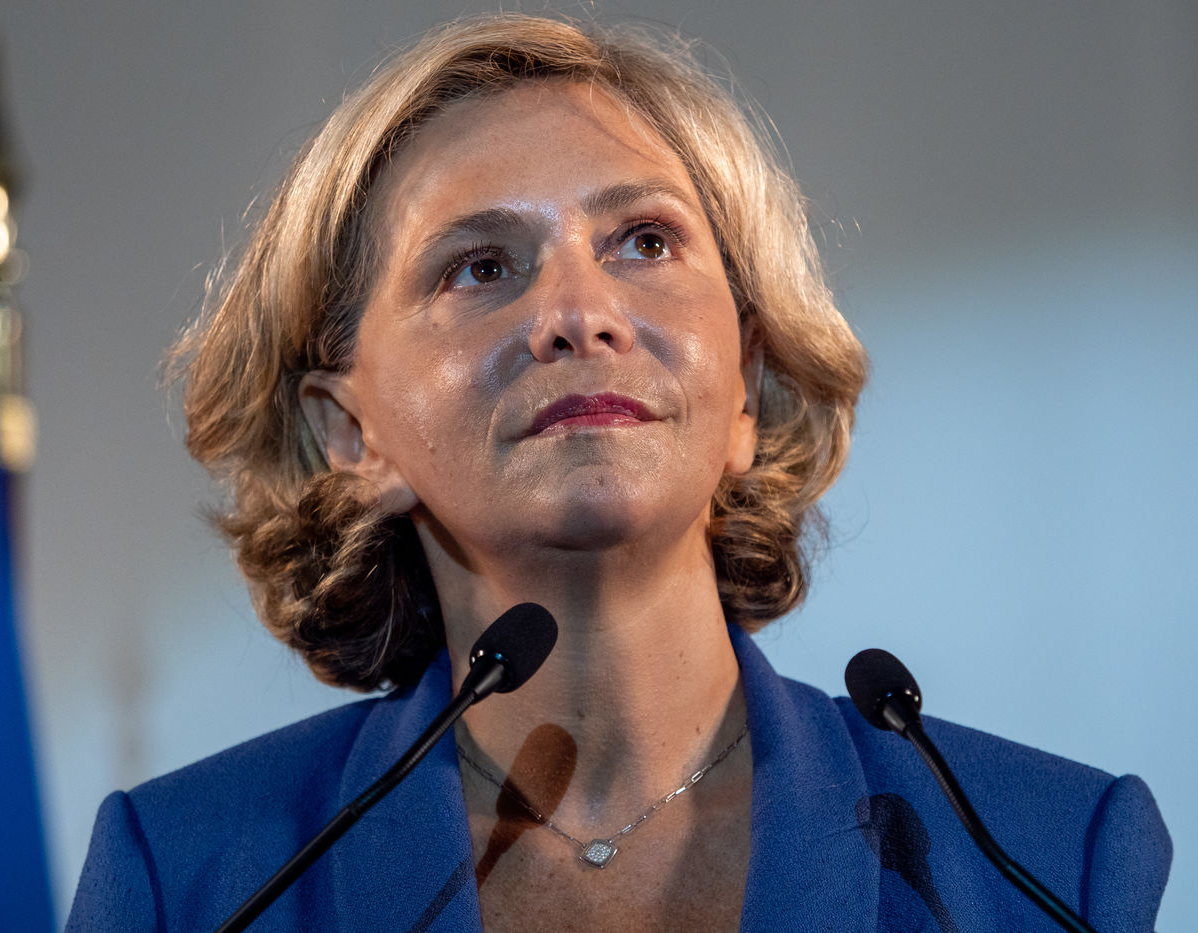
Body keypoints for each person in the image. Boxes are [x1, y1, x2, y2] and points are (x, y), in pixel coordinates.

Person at [67, 13, 1170, 932]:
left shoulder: (1045, 857)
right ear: (351, 433)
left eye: (644, 241)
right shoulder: (196, 879)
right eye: (480, 266)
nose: (578, 314)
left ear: (746, 386)